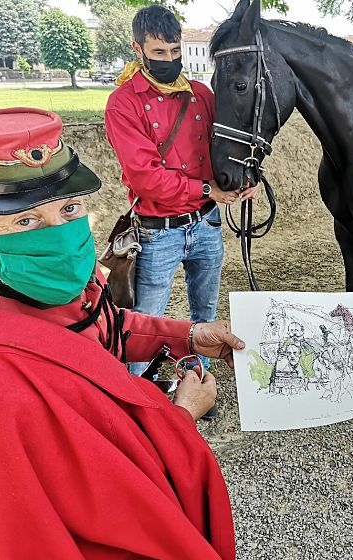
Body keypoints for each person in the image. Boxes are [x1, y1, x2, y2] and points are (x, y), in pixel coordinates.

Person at [0, 107, 264, 560]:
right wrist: (181, 416)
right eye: (25, 220)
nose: (57, 233)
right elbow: (111, 497)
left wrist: (186, 334)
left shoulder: (30, 280)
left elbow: (102, 324)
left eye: (69, 207)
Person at [104, 5, 258, 387]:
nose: (170, 61)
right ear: (137, 49)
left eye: (175, 51)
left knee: (204, 315)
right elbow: (146, 179)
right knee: (145, 322)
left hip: (206, 223)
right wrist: (209, 189)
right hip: (158, 231)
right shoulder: (124, 103)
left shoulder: (202, 94)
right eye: (159, 53)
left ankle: (195, 384)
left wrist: (241, 179)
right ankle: (137, 397)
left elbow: (224, 147)